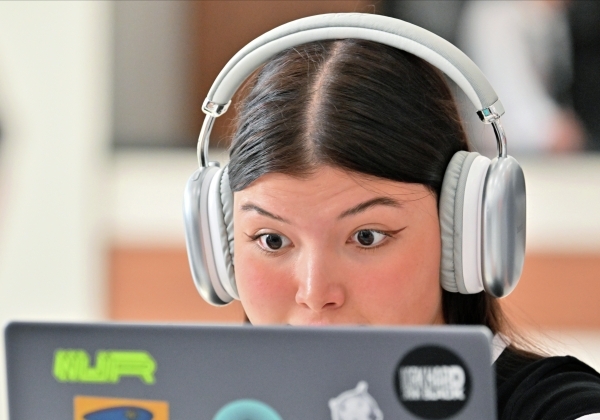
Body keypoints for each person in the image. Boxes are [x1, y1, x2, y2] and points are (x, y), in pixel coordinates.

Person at [191, 18, 600, 419]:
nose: (315, 293)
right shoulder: (187, 400)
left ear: (463, 235)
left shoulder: (553, 406)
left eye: (367, 237)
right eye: (272, 240)